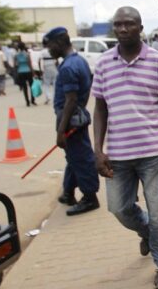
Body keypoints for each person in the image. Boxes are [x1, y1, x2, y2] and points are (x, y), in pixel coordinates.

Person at [92, 7, 158, 288]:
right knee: (119, 208)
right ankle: (147, 234)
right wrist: (98, 149)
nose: (122, 29)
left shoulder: (157, 62)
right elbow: (100, 109)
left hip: (154, 152)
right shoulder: (104, 64)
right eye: (117, 24)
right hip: (118, 155)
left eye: (128, 24)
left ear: (140, 27)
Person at [43, 27, 100, 216]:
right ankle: (68, 192)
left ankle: (90, 198)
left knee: (82, 158)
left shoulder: (68, 67)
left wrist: (61, 130)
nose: (49, 50)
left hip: (70, 120)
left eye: (50, 45)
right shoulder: (78, 61)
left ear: (59, 42)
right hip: (75, 117)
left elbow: (71, 100)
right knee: (73, 157)